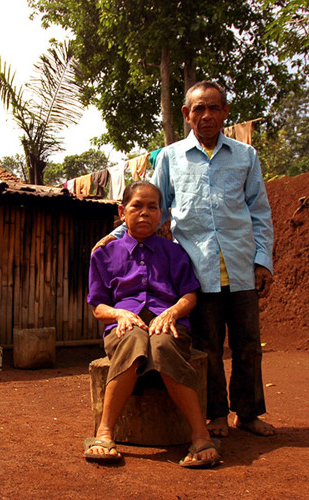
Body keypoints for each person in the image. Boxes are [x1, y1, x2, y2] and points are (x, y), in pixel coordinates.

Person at [95, 81, 275, 438]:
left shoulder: (245, 156)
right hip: (196, 270)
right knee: (207, 346)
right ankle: (217, 415)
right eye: (198, 109)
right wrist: (115, 236)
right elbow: (152, 206)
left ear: (225, 112)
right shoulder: (171, 158)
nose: (206, 115)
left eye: (214, 108)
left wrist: (263, 261)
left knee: (248, 345)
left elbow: (259, 212)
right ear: (186, 114)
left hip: (240, 266)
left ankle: (249, 413)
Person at [85, 180, 221, 468]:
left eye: (152, 207)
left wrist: (171, 313)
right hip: (123, 328)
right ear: (122, 212)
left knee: (161, 346)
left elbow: (189, 295)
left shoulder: (174, 252)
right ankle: (104, 434)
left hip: (168, 325)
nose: (144, 213)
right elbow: (98, 307)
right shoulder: (104, 254)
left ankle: (200, 436)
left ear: (162, 214)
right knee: (134, 339)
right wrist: (120, 314)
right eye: (137, 206)